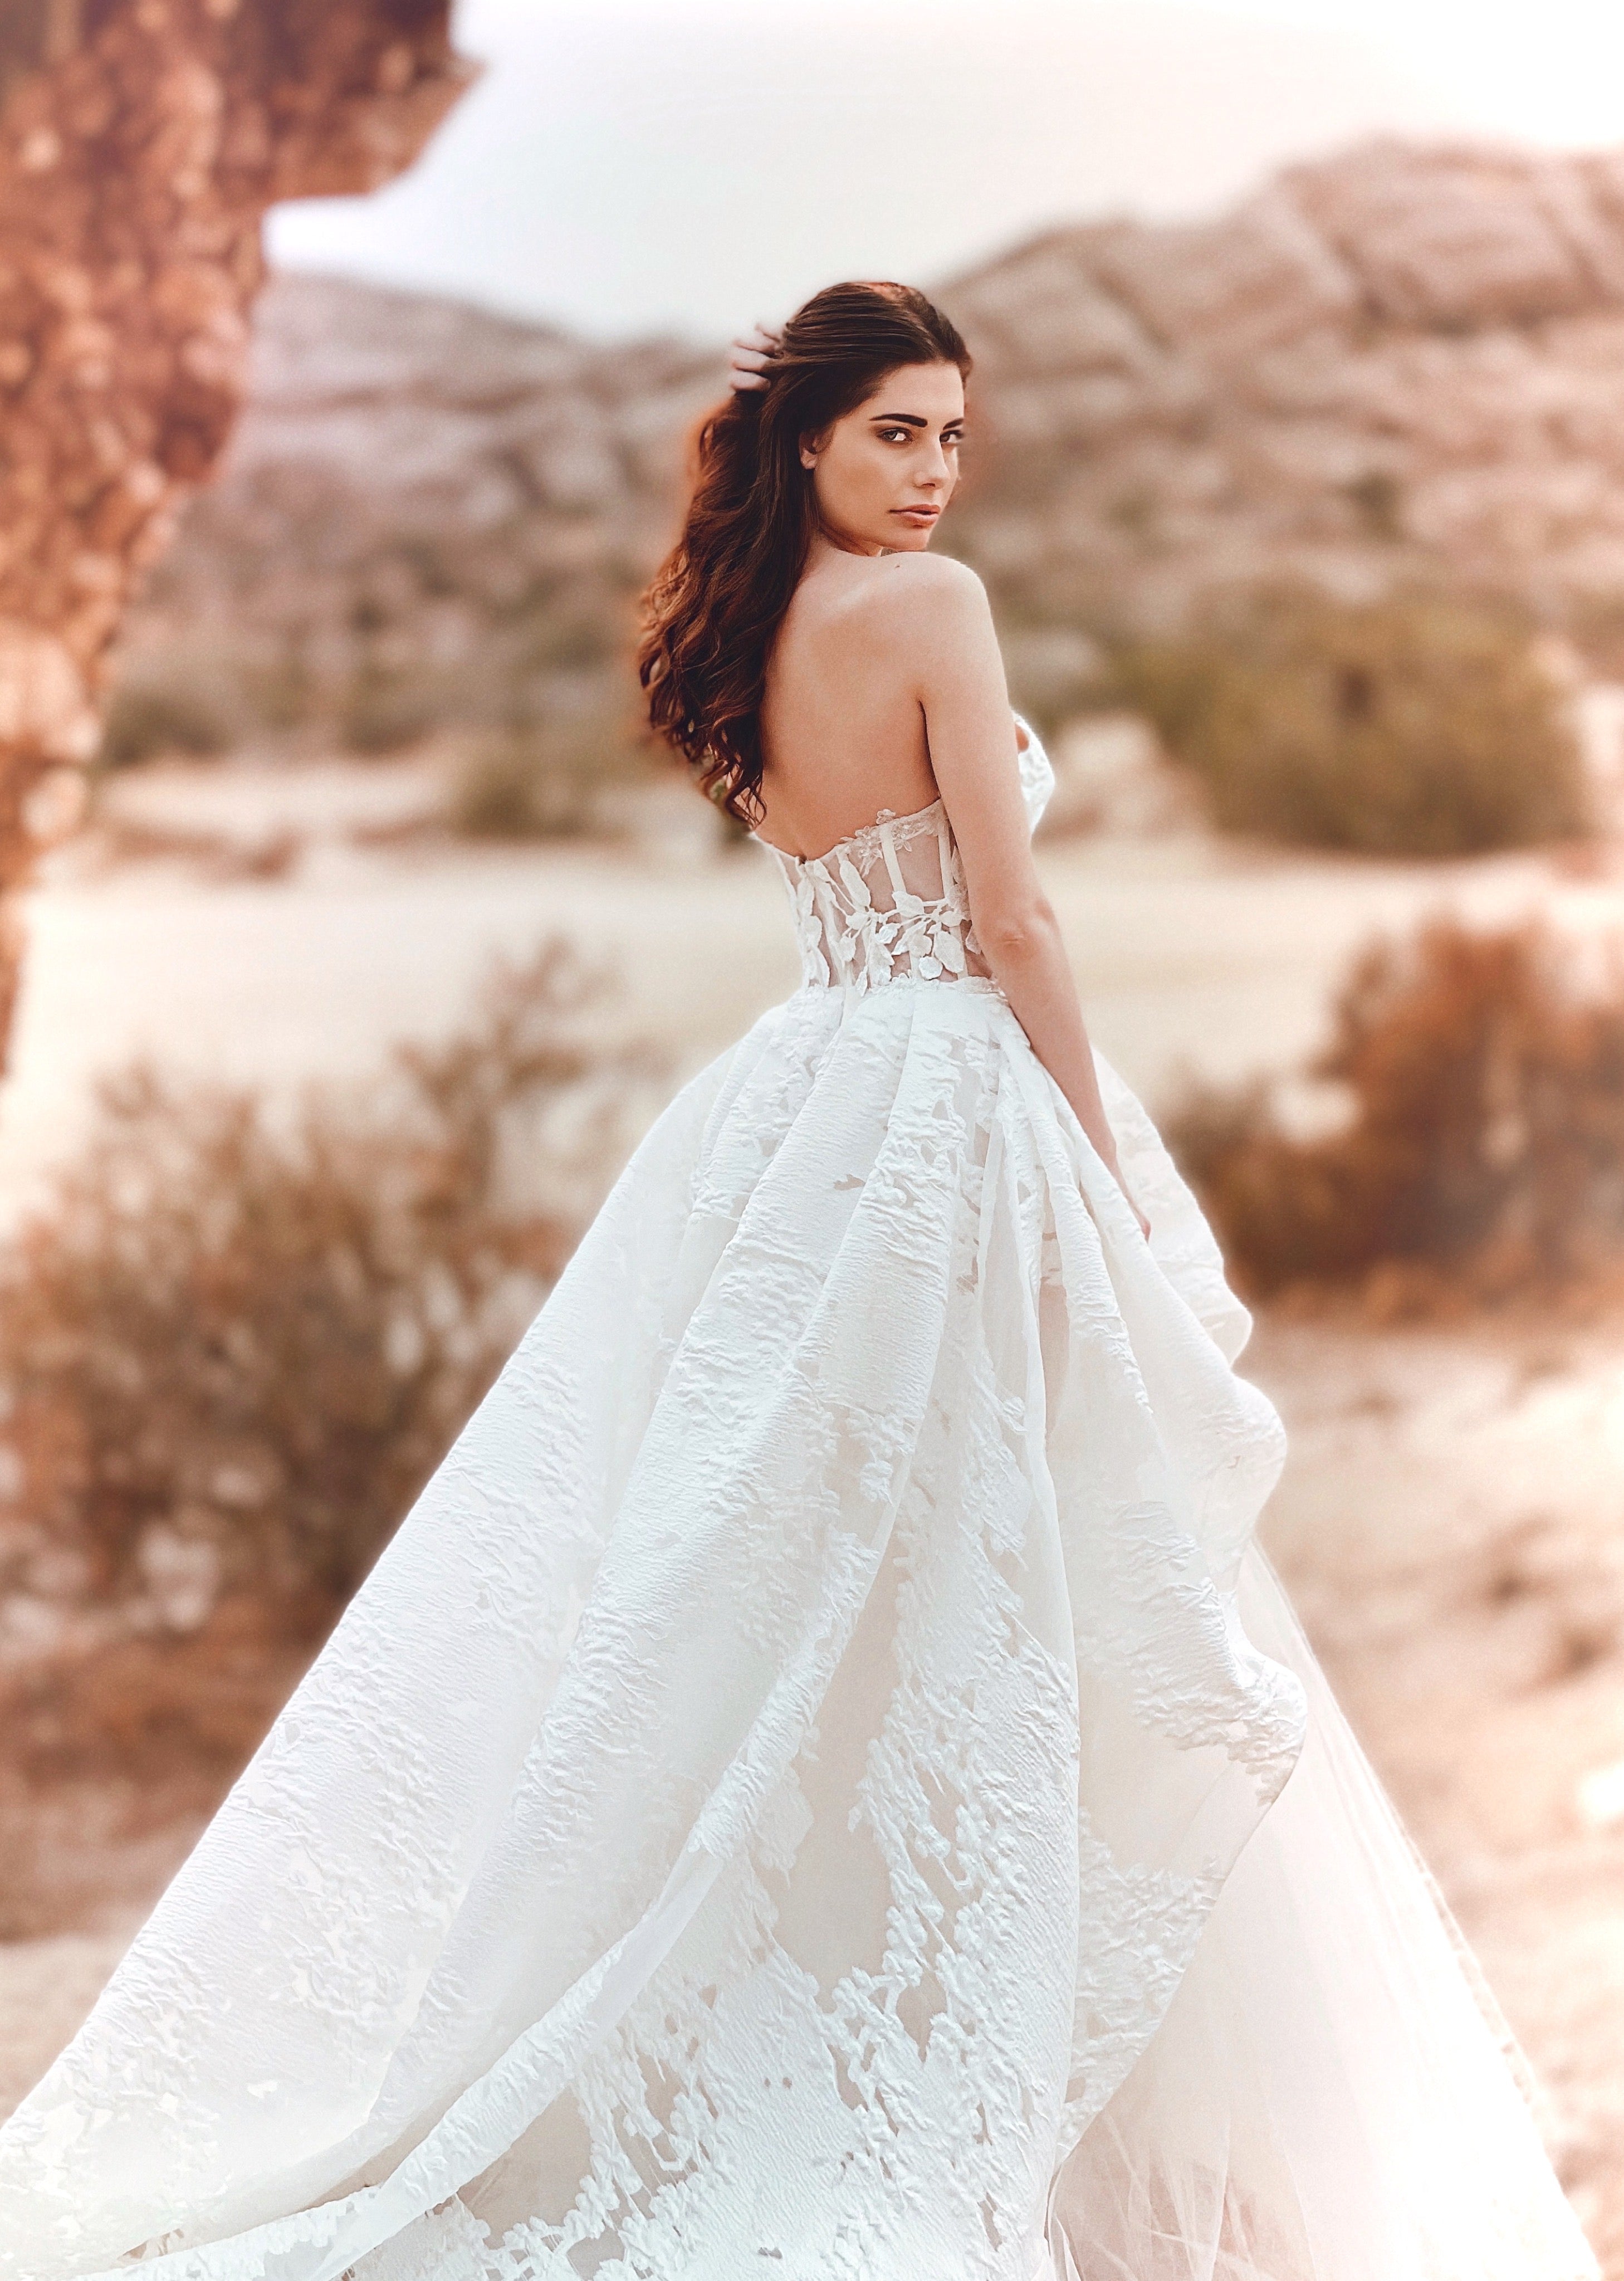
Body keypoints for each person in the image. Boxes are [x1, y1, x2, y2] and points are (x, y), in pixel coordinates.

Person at [0, 283, 1596, 2281]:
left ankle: (856, 2019)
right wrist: (1093, 1154)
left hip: (805, 1106)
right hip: (949, 1102)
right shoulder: (936, 614)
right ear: (812, 440)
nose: (932, 476)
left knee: (799, 1592)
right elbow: (1006, 911)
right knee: (998, 1570)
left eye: (949, 436)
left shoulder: (741, 628)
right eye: (894, 435)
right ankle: (969, 2066)